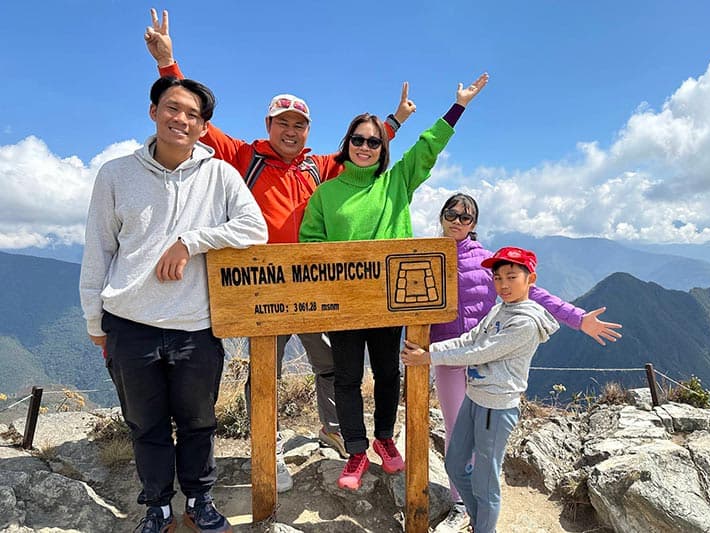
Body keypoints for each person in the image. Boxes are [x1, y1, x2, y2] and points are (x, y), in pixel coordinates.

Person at [143, 8, 415, 490]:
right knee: (263, 370)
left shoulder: (318, 167)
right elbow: (195, 117)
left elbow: (363, 150)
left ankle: (332, 429)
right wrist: (169, 64)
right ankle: (265, 445)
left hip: (315, 283)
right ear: (269, 124)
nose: (291, 131)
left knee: (331, 364)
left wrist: (394, 120)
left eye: (300, 124)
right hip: (261, 285)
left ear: (309, 131)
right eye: (283, 123)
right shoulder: (246, 156)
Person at [79, 76, 268, 533]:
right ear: (153, 112)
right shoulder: (115, 174)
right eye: (173, 109)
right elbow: (98, 251)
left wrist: (192, 240)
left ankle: (200, 499)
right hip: (129, 322)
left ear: (203, 127)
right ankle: (158, 505)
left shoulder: (220, 174)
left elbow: (253, 229)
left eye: (193, 115)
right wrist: (94, 319)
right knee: (146, 425)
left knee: (199, 421)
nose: (181, 119)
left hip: (197, 324)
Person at [299, 72, 489, 490]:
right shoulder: (325, 195)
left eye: (373, 141)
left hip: (389, 301)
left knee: (387, 373)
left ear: (382, 148)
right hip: (344, 304)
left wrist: (458, 106)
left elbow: (427, 149)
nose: (365, 147)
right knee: (346, 377)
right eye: (358, 140)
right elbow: (309, 244)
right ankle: (355, 451)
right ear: (347, 145)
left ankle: (385, 439)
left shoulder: (396, 182)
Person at [430, 193, 622, 532]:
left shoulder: (488, 261)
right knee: (454, 430)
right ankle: (462, 503)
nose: (457, 221)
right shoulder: (425, 254)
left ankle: (478, 506)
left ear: (474, 224)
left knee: (478, 437)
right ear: (441, 215)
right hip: (447, 354)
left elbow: (536, 293)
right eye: (452, 213)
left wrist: (579, 319)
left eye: (466, 217)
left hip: (485, 359)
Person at [401, 246, 558, 533]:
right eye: (497, 278)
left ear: (530, 278)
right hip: (474, 398)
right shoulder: (500, 308)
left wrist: (428, 357)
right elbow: (469, 338)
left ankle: (484, 528)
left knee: (486, 481)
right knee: (456, 464)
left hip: (496, 408)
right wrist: (428, 350)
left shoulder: (524, 322)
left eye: (512, 277)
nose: (503, 285)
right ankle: (479, 522)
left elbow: (480, 351)